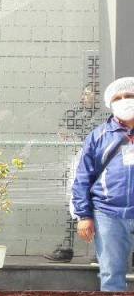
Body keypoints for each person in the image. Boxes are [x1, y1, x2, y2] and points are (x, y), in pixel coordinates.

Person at [71, 76, 134, 292]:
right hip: (108, 213)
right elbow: (82, 178)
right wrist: (84, 215)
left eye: (129, 96)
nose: (124, 100)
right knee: (111, 274)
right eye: (118, 97)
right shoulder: (99, 136)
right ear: (110, 103)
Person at [44, 84, 103, 262]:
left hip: (96, 167)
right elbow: (62, 128)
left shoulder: (102, 116)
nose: (84, 97)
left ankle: (99, 252)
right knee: (72, 204)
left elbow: (89, 134)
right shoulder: (75, 113)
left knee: (98, 207)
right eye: (83, 94)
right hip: (76, 163)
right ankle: (66, 248)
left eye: (89, 94)